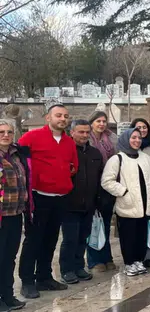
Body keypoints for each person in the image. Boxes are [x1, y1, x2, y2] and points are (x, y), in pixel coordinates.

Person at [18, 104, 78, 299]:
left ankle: (44, 277)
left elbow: (73, 166)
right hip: (38, 196)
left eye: (66, 116)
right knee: (34, 239)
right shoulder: (32, 137)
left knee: (51, 239)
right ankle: (27, 281)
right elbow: (19, 160)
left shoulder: (69, 142)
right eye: (58, 115)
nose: (62, 119)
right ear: (48, 118)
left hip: (60, 197)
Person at [101, 128, 150, 277]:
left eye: (139, 138)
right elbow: (106, 181)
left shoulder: (146, 158)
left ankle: (139, 260)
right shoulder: (117, 159)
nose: (137, 140)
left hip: (145, 205)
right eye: (133, 137)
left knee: (141, 236)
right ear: (126, 139)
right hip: (127, 205)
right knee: (128, 236)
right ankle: (129, 263)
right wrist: (124, 192)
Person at [59, 120, 103, 285]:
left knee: (82, 237)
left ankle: (78, 266)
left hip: (89, 204)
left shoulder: (94, 153)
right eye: (81, 132)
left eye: (87, 132)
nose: (84, 135)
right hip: (70, 204)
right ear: (72, 132)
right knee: (70, 239)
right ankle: (67, 269)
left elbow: (99, 178)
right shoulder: (65, 151)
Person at [0, 120, 31, 311]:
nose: (5, 135)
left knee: (9, 257)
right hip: (1, 215)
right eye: (1, 131)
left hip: (15, 214)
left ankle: (8, 295)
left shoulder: (16, 155)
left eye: (9, 132)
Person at [86, 111, 117, 273]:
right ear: (92, 122)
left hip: (108, 186)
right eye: (98, 121)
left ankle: (107, 257)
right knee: (93, 225)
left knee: (104, 224)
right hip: (92, 186)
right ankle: (94, 260)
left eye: (104, 121)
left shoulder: (111, 138)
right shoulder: (87, 138)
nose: (101, 124)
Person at [131, 118, 150, 268]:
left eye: (144, 127)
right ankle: (135, 256)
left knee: (149, 224)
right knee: (135, 226)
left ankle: (148, 256)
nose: (142, 130)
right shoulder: (127, 146)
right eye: (138, 127)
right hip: (132, 192)